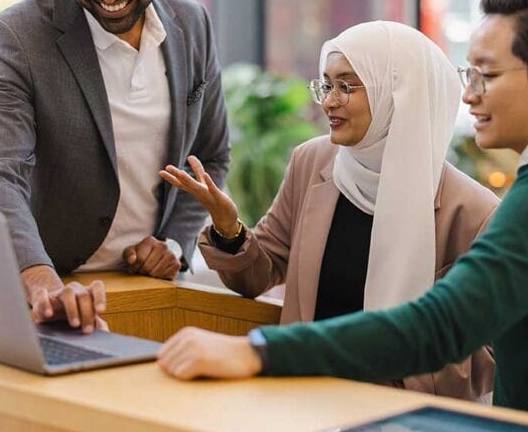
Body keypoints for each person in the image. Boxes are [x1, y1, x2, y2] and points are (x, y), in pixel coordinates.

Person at [155, 0, 528, 432]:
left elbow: (440, 327)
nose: (470, 96)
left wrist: (259, 352)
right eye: (469, 74)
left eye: (489, 75)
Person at [160, 21, 499, 400]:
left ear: (397, 93)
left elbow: (486, 358)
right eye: (326, 84)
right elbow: (259, 275)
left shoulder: (473, 211)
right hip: (304, 399)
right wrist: (228, 228)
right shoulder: (312, 162)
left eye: (346, 86)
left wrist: (390, 363)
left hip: (403, 419)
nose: (329, 101)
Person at [0, 0, 229, 333]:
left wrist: (173, 242)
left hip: (149, 294)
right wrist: (38, 277)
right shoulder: (20, 36)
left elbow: (209, 155)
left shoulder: (192, 25)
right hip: (55, 295)